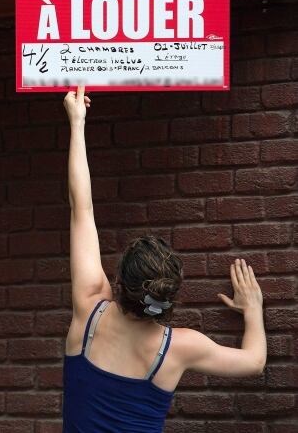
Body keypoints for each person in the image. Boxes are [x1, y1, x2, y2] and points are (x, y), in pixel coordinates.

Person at [62, 85, 267, 432]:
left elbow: (81, 208)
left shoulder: (89, 311)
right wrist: (253, 310)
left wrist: (77, 123)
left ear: (118, 283)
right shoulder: (179, 347)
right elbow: (254, 362)